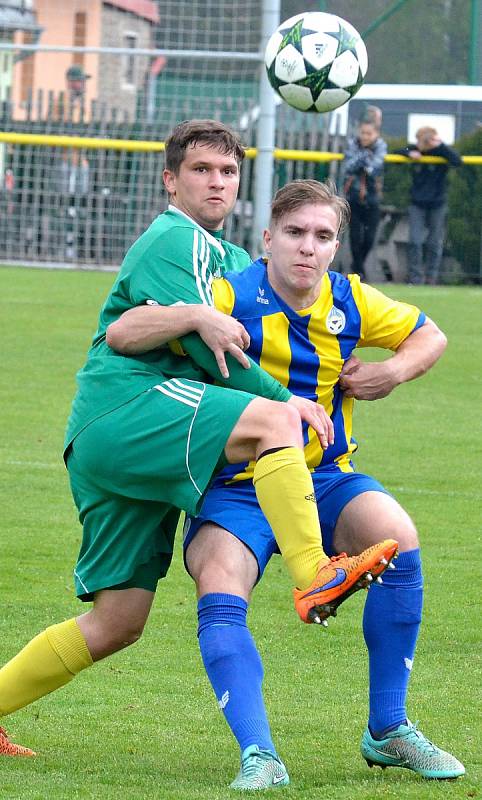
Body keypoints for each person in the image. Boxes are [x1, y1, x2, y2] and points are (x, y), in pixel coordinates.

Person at [0, 122, 395, 759]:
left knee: (118, 621)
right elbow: (189, 345)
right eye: (201, 170)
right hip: (130, 410)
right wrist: (283, 398)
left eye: (227, 172)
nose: (216, 181)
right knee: (273, 422)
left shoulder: (231, 260)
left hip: (119, 444)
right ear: (170, 180)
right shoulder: (176, 236)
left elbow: (148, 322)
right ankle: (314, 574)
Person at [108, 179, 465, 789]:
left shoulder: (350, 299)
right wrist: (193, 316)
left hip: (324, 476)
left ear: (336, 247)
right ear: (268, 240)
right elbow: (125, 332)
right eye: (295, 233)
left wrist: (391, 372)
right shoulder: (230, 291)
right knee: (219, 581)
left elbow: (430, 335)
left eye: (323, 236)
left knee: (398, 539)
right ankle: (259, 753)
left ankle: (389, 728)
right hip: (235, 482)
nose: (308, 248)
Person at [396, 127, 462, 284]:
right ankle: (415, 277)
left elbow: (457, 161)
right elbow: (397, 152)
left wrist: (439, 145)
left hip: (437, 204)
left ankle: (431, 276)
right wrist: (408, 153)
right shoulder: (413, 149)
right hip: (417, 203)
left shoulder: (441, 152)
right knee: (415, 240)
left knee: (435, 242)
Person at [342, 116, 387, 280]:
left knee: (369, 237)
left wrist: (361, 161)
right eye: (363, 133)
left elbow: (374, 168)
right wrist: (363, 158)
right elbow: (348, 167)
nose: (365, 136)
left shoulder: (381, 146)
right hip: (353, 197)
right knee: (354, 236)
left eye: (369, 133)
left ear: (376, 134)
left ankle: (357, 267)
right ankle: (359, 272)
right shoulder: (352, 144)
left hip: (372, 198)